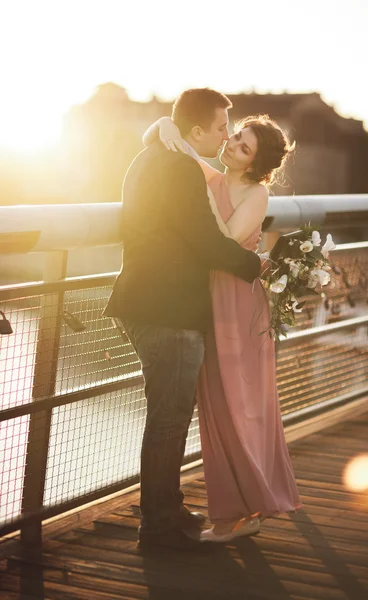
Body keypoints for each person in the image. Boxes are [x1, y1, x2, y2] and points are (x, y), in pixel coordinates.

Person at [103, 88, 268, 552]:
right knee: (168, 423)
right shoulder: (178, 167)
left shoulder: (151, 156)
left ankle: (168, 510)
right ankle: (157, 528)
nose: (224, 136)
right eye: (221, 128)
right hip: (167, 307)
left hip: (147, 300)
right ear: (196, 131)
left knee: (169, 418)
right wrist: (253, 265)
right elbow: (202, 240)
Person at [144, 111, 302, 543]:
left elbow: (228, 241)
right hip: (207, 302)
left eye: (244, 146)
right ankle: (232, 510)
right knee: (213, 405)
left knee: (240, 405)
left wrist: (201, 196)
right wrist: (165, 123)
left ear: (256, 163)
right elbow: (158, 136)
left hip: (239, 305)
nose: (232, 144)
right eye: (234, 137)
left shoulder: (256, 194)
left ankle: (251, 507)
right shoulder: (211, 177)